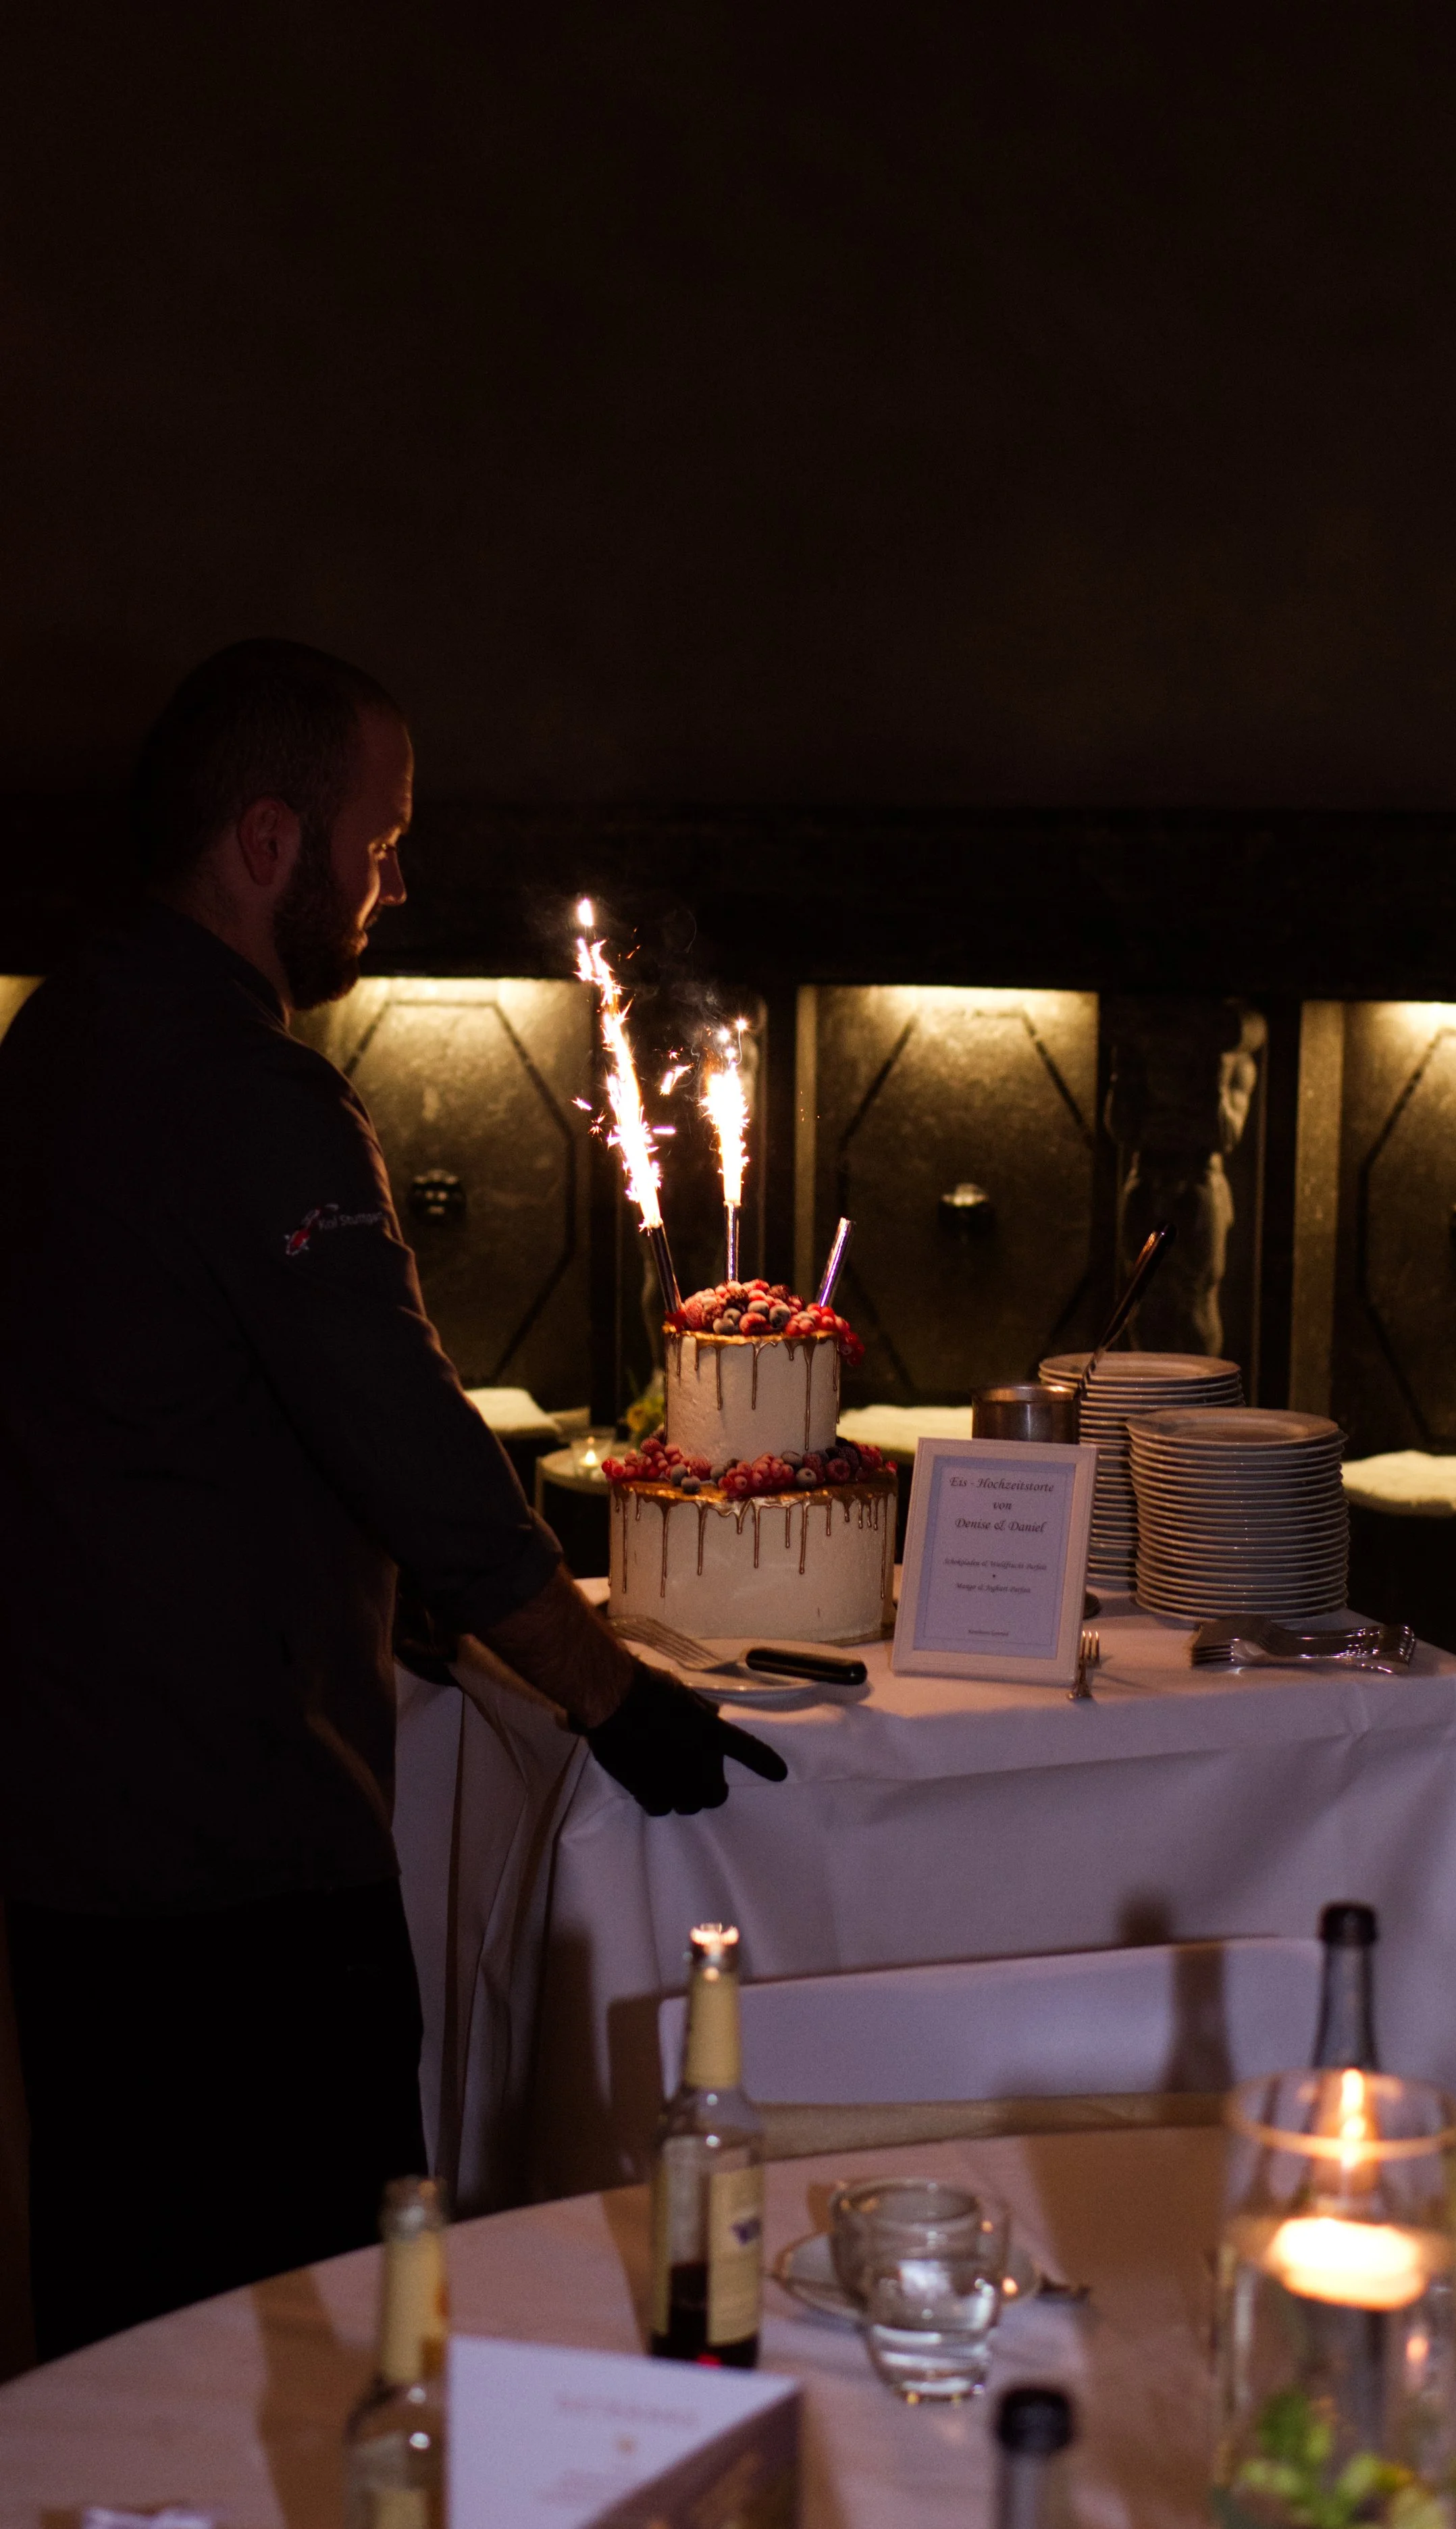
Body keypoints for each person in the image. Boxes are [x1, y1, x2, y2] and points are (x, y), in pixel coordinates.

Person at [0, 640, 785, 2359]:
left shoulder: (58, 1034)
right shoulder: (244, 1090)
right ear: (270, 843)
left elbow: (164, 1391)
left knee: (120, 2314)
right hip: (231, 1839)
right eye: (380, 842)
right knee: (318, 2318)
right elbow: (401, 1432)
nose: (396, 881)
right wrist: (604, 1692)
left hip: (65, 1807)